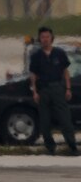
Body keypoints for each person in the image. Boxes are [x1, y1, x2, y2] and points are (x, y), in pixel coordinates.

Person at [29, 27, 78, 155]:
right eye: (43, 37)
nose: (45, 39)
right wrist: (34, 92)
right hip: (43, 90)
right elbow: (33, 75)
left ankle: (72, 146)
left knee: (65, 119)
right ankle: (50, 147)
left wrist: (68, 88)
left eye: (47, 36)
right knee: (45, 121)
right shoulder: (36, 56)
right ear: (40, 39)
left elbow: (65, 72)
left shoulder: (59, 53)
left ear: (52, 38)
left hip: (58, 88)